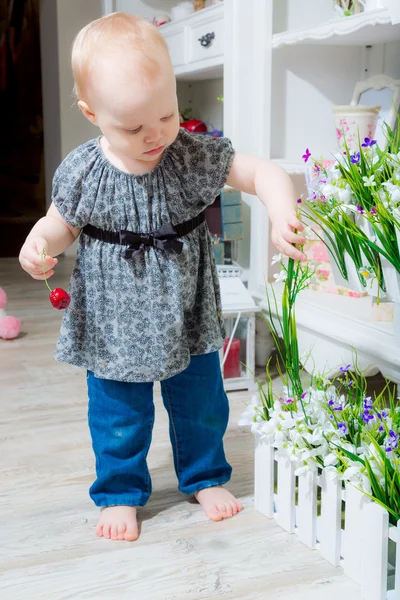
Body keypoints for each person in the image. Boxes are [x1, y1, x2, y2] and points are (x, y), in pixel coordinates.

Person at [19, 13, 305, 542]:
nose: (155, 136)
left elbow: (262, 171)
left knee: (201, 400)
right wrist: (38, 245)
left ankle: (204, 475)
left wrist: (281, 208)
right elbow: (57, 226)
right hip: (113, 315)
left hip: (185, 306)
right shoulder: (83, 172)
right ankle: (121, 489)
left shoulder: (192, 156)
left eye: (167, 115)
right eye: (133, 127)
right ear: (91, 114)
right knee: (117, 411)